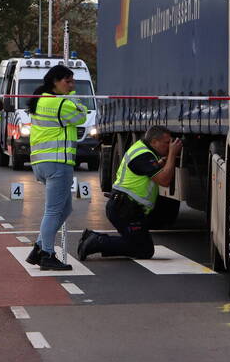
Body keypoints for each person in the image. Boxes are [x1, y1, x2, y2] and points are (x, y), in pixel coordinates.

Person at [77, 126, 182, 261]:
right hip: (124, 209)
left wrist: (162, 162)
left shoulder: (143, 150)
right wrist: (173, 154)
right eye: (167, 143)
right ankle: (96, 241)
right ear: (154, 141)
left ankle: (93, 239)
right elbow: (164, 180)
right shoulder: (143, 155)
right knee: (143, 250)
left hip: (126, 207)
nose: (169, 146)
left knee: (141, 246)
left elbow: (149, 170)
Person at [24, 65, 88, 271]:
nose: (72, 85)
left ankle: (40, 248)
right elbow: (82, 117)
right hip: (57, 163)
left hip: (42, 163)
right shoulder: (59, 103)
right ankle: (47, 255)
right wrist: (74, 96)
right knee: (53, 211)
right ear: (55, 81)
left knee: (65, 208)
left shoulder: (41, 100)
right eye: (67, 81)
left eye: (73, 82)